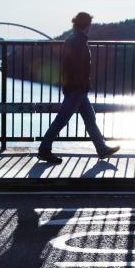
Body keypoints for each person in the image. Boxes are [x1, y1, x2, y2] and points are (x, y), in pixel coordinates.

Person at [37, 11, 120, 164]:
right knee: (62, 120)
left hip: (76, 88)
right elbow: (77, 68)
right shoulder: (78, 41)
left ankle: (101, 149)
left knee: (90, 118)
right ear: (87, 25)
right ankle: (44, 150)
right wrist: (81, 86)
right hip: (77, 89)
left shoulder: (73, 39)